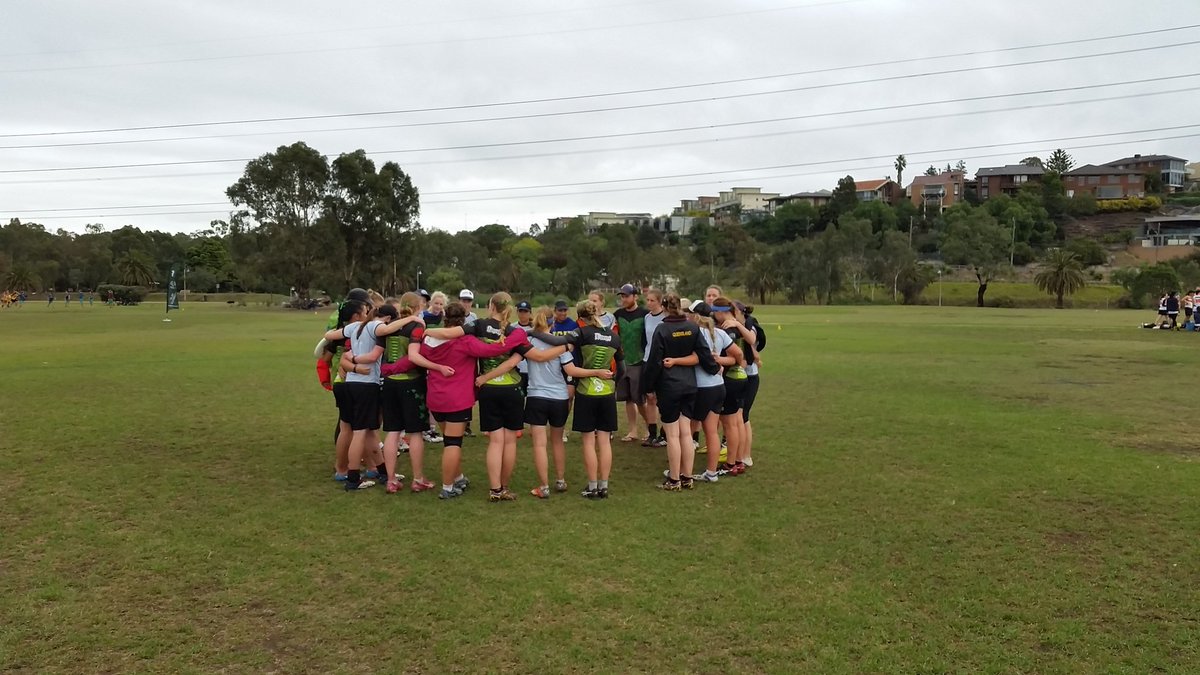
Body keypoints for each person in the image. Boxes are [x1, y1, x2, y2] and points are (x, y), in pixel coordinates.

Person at [410, 303, 527, 500]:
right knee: (453, 444)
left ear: (445, 317)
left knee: (449, 440)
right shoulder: (466, 341)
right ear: (464, 319)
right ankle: (448, 487)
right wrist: (516, 340)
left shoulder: (429, 339)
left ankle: (458, 477)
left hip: (436, 397)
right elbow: (491, 350)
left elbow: (416, 356)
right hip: (458, 399)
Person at [642, 292, 719, 491]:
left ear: (664, 308)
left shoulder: (662, 329)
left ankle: (674, 479)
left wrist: (647, 386)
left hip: (669, 386)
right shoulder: (692, 327)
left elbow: (654, 362)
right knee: (686, 433)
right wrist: (714, 368)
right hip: (689, 385)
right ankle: (687, 477)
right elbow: (703, 353)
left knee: (672, 435)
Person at [685, 300, 745, 483]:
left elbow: (694, 359)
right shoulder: (719, 333)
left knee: (687, 431)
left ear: (695, 316)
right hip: (718, 387)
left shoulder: (692, 333)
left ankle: (682, 472)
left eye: (689, 313)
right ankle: (711, 473)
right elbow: (737, 355)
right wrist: (719, 361)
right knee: (711, 432)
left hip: (700, 388)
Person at [569, 301, 623, 498]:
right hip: (607, 392)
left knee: (588, 441)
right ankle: (604, 485)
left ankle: (592, 486)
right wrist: (613, 382)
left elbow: (561, 344)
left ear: (580, 317)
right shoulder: (614, 336)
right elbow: (622, 368)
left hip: (586, 391)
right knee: (605, 441)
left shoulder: (581, 333)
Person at [711, 296, 758, 476]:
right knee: (738, 422)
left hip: (731, 378)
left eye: (714, 312)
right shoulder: (738, 325)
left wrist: (716, 360)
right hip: (742, 377)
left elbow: (734, 356)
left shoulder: (728, 328)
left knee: (730, 424)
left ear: (721, 312)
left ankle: (731, 463)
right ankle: (738, 460)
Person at [612, 283, 650, 443]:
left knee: (639, 398)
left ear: (635, 297)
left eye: (626, 296)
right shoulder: (617, 314)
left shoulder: (645, 314)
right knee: (627, 398)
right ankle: (632, 430)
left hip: (639, 360)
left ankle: (650, 428)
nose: (624, 299)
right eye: (622, 296)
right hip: (622, 360)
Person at [739, 302, 766, 467]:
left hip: (750, 377)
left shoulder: (750, 325)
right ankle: (737, 454)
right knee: (737, 417)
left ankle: (746, 455)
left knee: (744, 416)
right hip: (738, 377)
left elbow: (753, 347)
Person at [641, 289, 667, 448]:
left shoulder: (666, 317)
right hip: (648, 360)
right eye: (648, 300)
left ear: (659, 301)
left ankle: (665, 434)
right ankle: (652, 433)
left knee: (663, 399)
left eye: (652, 300)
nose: (649, 303)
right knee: (650, 397)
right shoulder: (646, 317)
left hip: (662, 361)